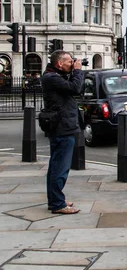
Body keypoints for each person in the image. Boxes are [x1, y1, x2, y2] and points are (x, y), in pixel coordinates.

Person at [41, 50, 84, 215]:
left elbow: (69, 87)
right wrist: (78, 71)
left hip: (62, 126)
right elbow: (75, 88)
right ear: (59, 63)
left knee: (56, 166)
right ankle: (58, 204)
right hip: (62, 127)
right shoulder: (51, 78)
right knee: (60, 167)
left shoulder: (54, 76)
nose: (71, 64)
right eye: (68, 61)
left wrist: (73, 71)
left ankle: (56, 199)